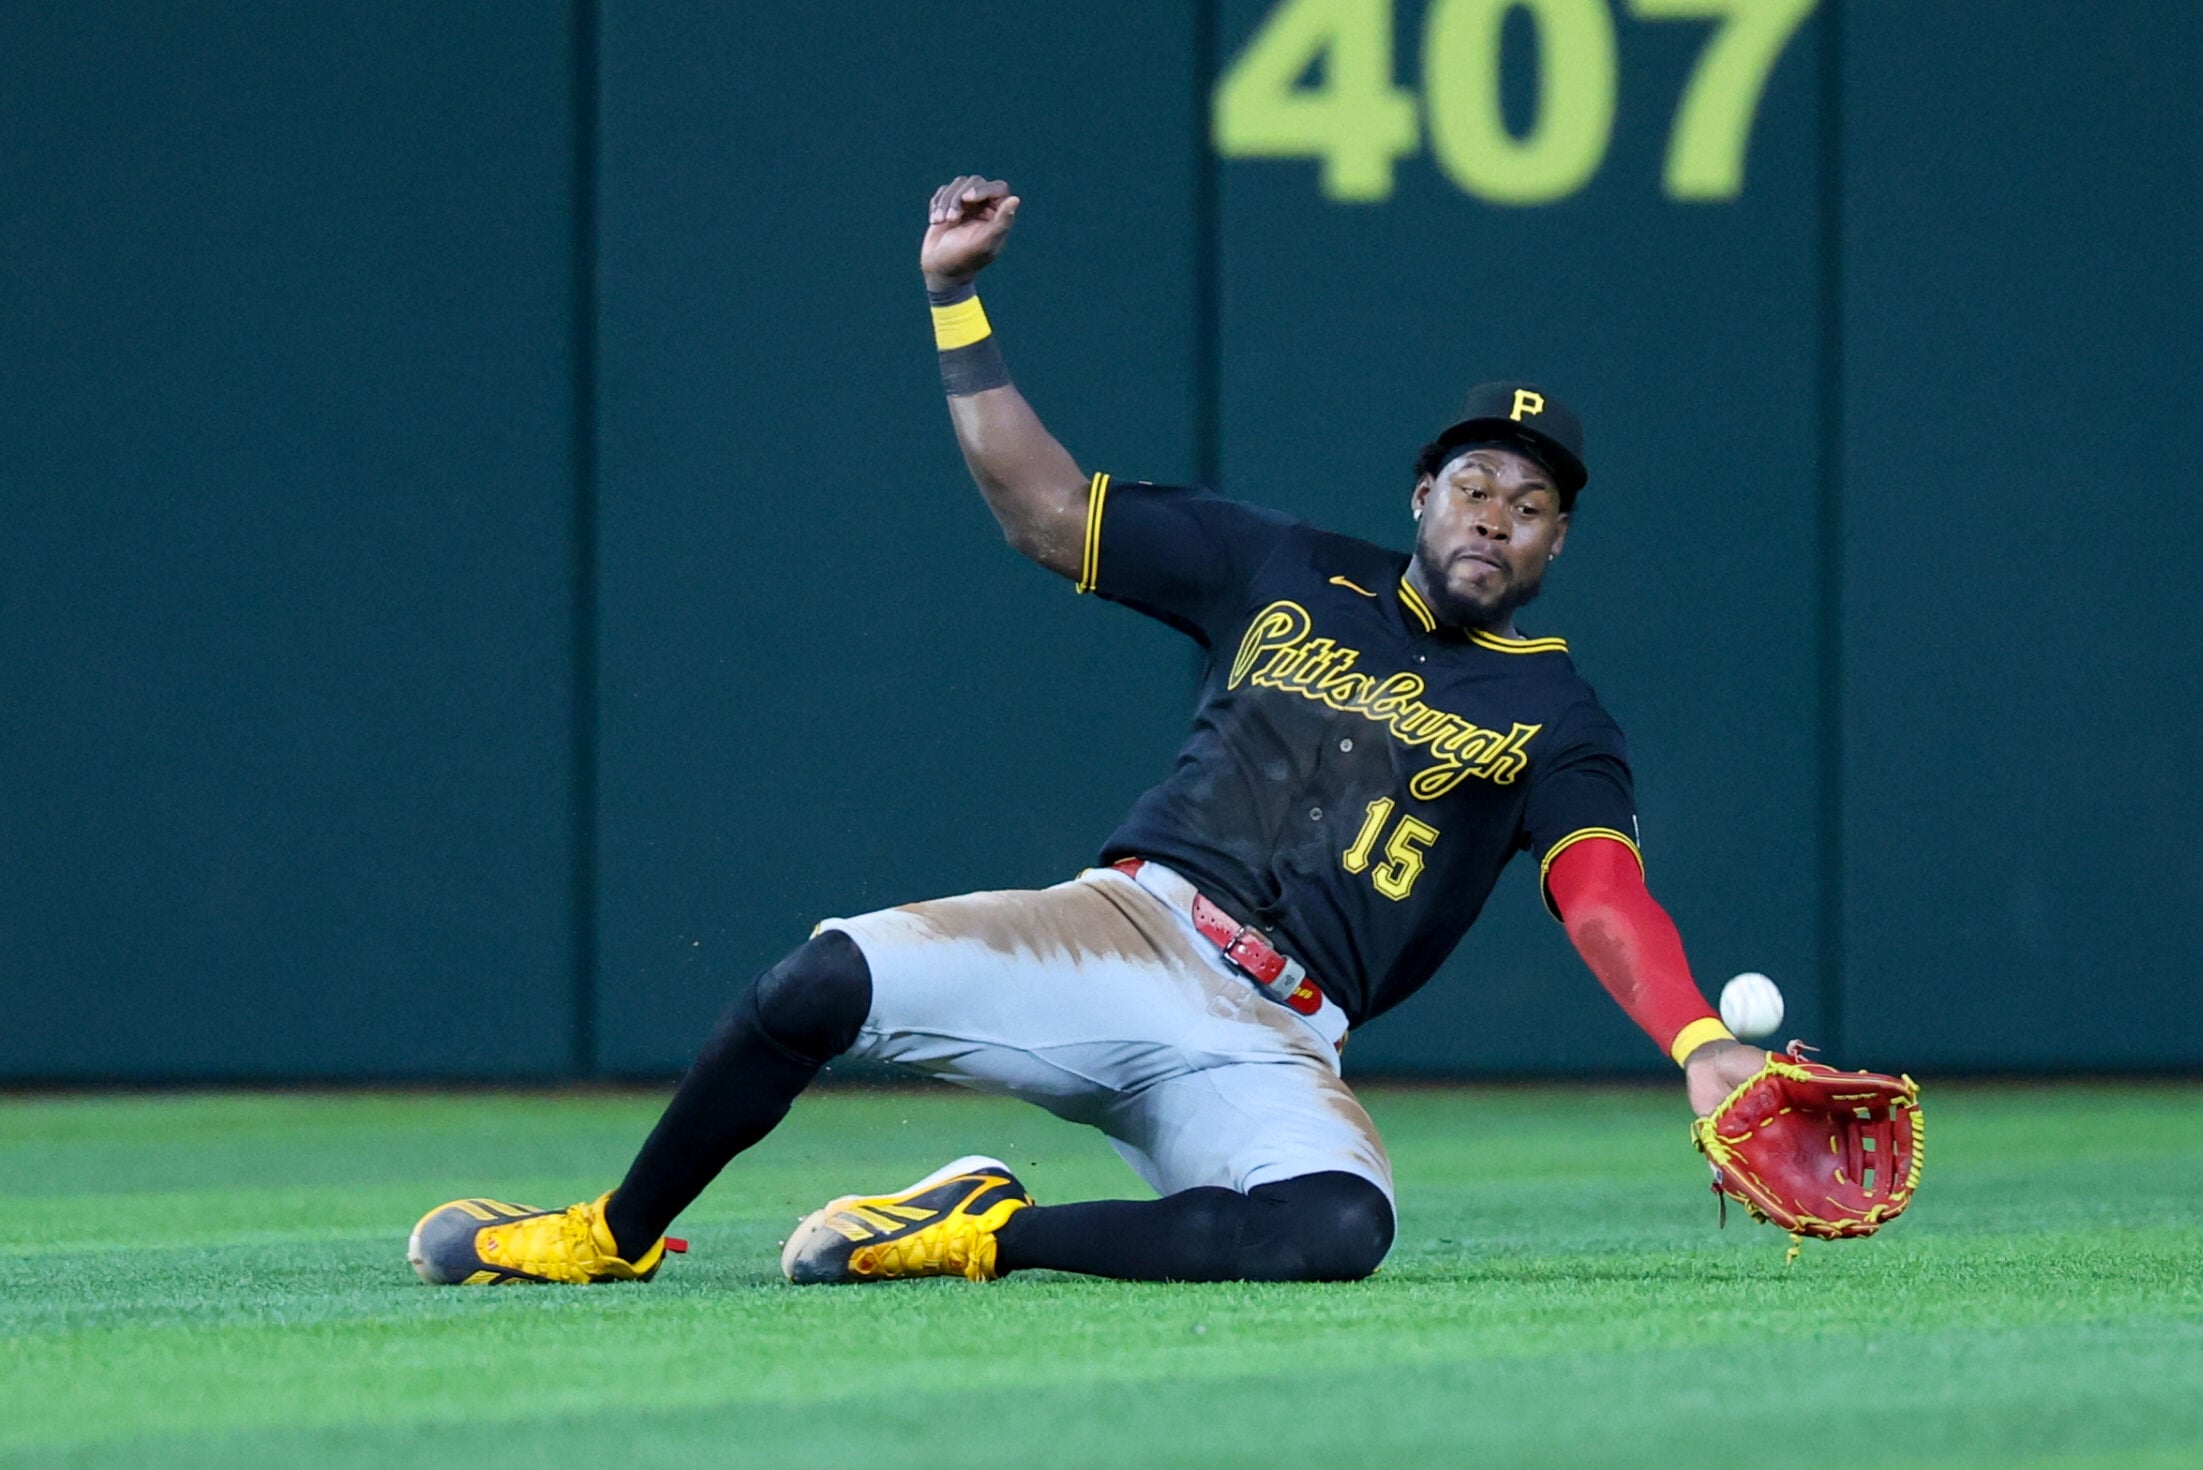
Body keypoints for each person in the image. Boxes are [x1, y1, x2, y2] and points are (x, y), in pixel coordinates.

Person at [408, 174, 1769, 1288]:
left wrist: (1697, 1039)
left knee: (1335, 1227)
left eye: (1529, 502)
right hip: (1125, 934)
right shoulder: (1286, 565)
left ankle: (985, 1228)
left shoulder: (1555, 712)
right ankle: (609, 1233)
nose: (1495, 512)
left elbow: (1600, 893)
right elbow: (1044, 511)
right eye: (1474, 480)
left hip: (1276, 1039)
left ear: (1558, 539)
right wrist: (954, 302)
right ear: (1423, 492)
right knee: (815, 982)